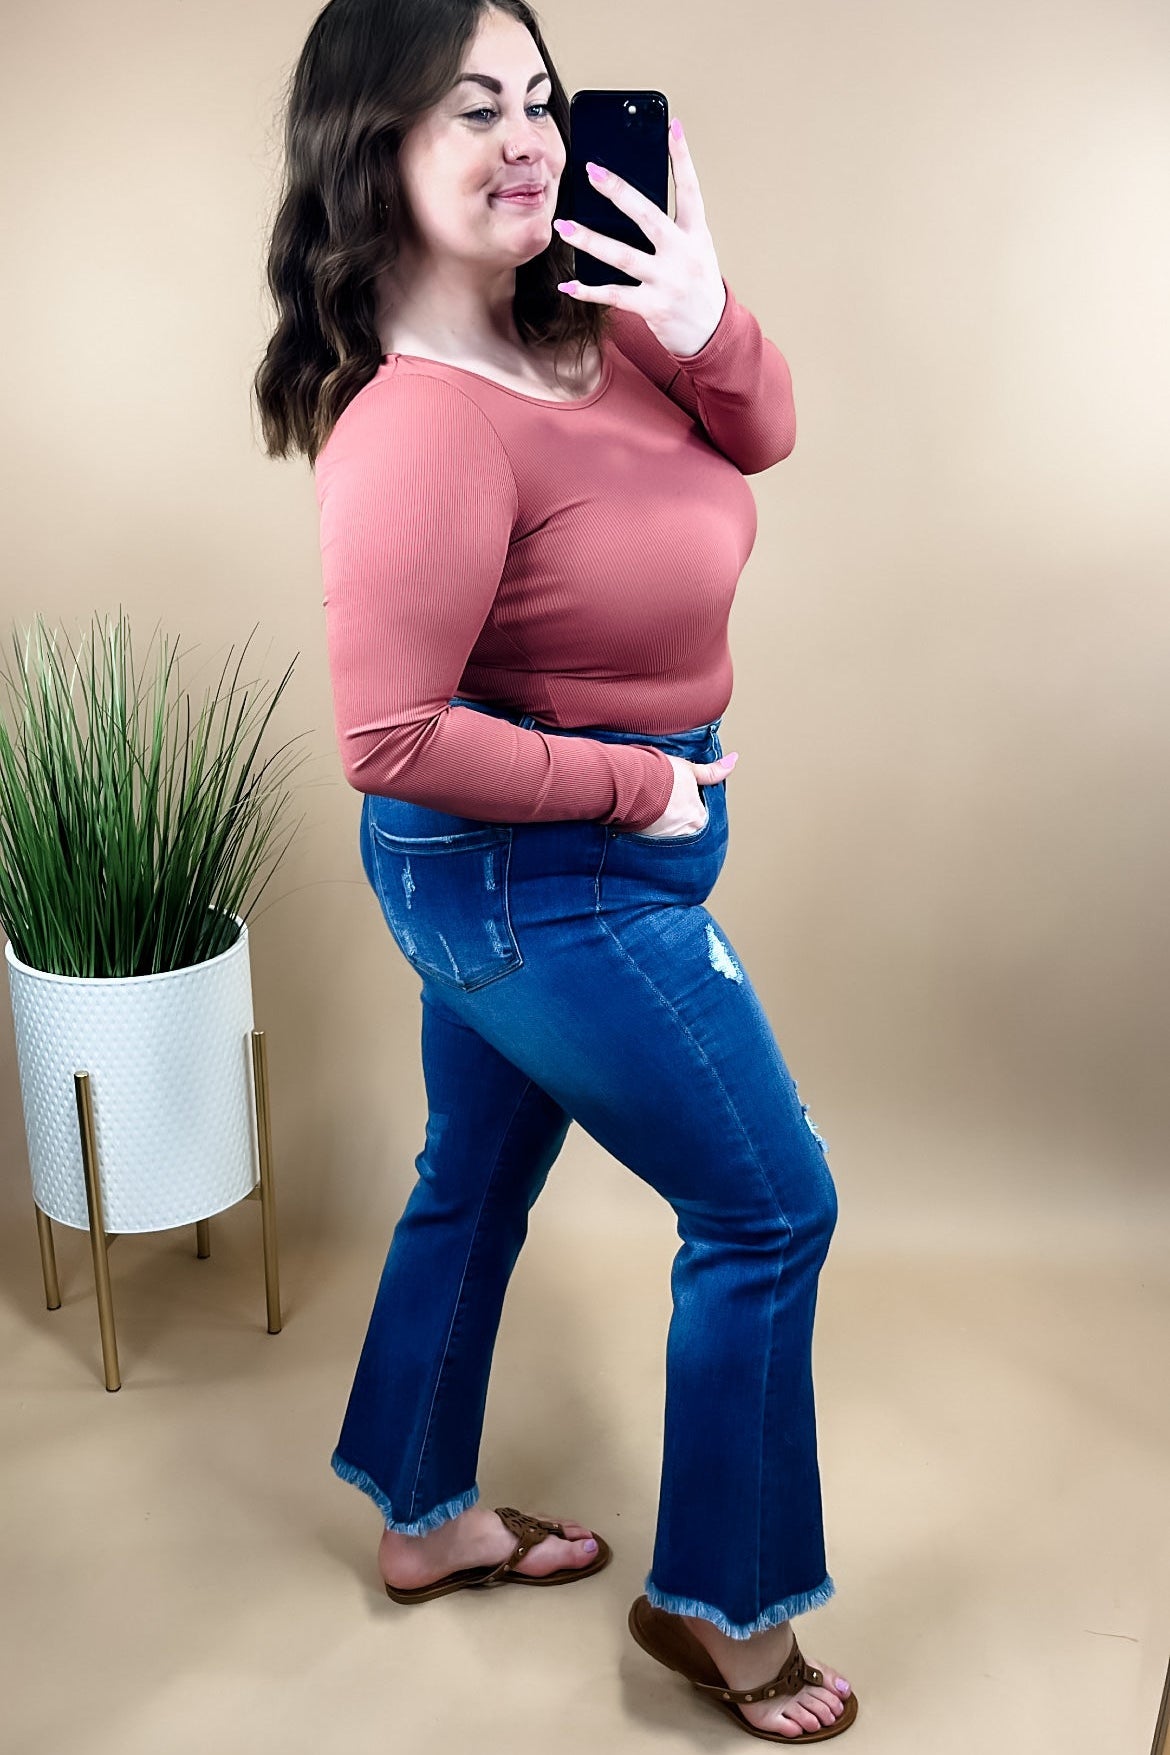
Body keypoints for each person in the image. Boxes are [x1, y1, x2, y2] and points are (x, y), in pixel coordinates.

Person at [253, 0, 857, 1740]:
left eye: (539, 97)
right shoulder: (420, 427)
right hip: (535, 875)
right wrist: (634, 788)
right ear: (369, 149)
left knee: (470, 1176)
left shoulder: (597, 320)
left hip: (584, 856)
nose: (528, 138)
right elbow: (388, 738)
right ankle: (725, 1612)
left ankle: (422, 1518)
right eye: (471, 109)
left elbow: (763, 432)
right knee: (769, 1210)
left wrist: (703, 309)